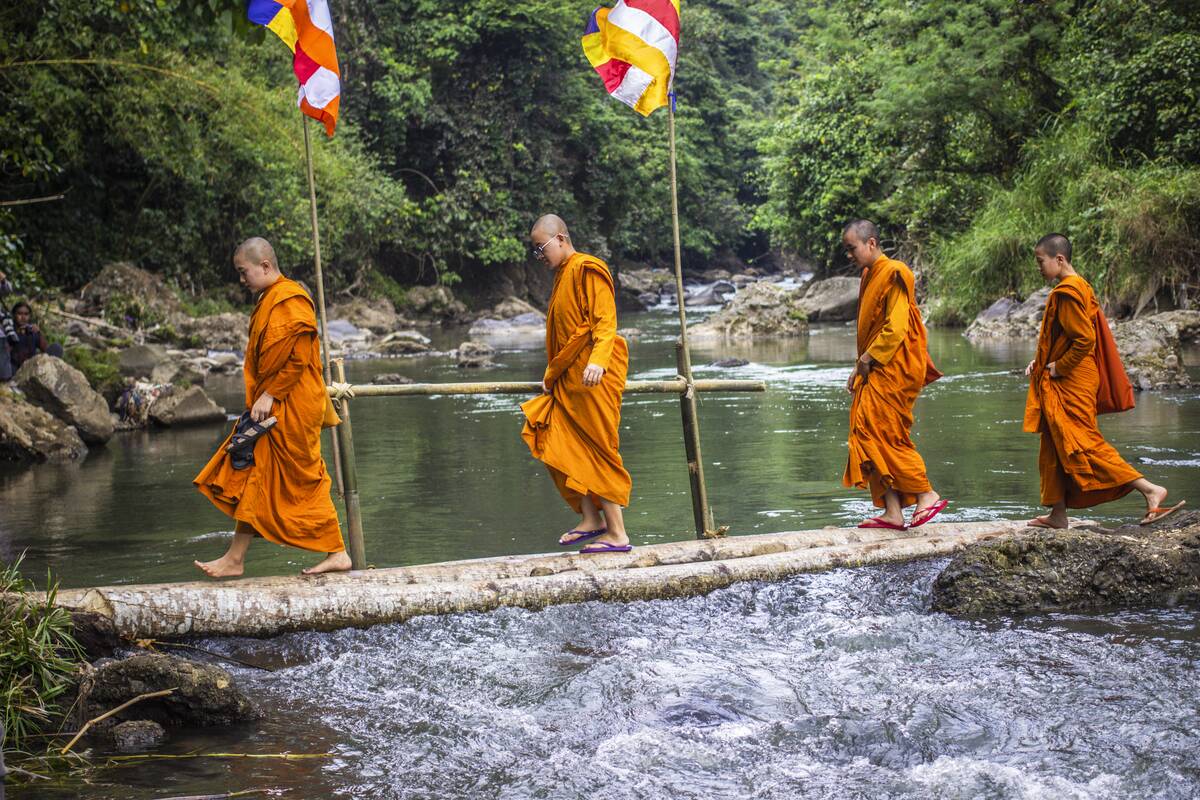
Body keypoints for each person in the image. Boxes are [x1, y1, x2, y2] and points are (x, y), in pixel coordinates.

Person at [193, 237, 351, 577]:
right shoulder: (270, 299)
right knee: (256, 474)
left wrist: (270, 394)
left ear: (265, 266)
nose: (241, 279)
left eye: (243, 271)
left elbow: (296, 359)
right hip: (275, 404)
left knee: (304, 476)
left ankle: (337, 552)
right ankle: (235, 559)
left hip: (291, 403)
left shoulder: (291, 299)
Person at [1023, 233, 1185, 528]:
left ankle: (1150, 489)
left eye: (1040, 261)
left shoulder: (1067, 291)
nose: (1039, 267)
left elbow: (1084, 339)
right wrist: (1042, 359)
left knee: (1083, 443)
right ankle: (1058, 514)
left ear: (1059, 259)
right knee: (1055, 444)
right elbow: (1062, 337)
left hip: (1072, 379)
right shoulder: (1080, 285)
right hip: (1072, 376)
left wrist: (1060, 367)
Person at [521, 214, 633, 554]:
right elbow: (567, 333)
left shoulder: (588, 267)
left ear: (560, 238)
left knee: (598, 448)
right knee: (552, 433)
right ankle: (591, 518)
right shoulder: (562, 276)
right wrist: (552, 373)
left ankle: (617, 533)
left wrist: (599, 359)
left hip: (592, 377)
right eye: (536, 252)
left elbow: (604, 321)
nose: (540, 257)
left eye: (542, 248)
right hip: (567, 379)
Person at [841, 219, 948, 530]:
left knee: (885, 434)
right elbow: (870, 330)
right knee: (865, 433)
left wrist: (868, 359)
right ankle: (893, 511)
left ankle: (926, 493)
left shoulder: (895, 272)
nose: (850, 255)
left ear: (871, 243)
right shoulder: (868, 276)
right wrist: (858, 368)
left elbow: (896, 327)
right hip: (874, 366)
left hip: (894, 367)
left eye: (853, 248)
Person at [8, 301, 61, 370]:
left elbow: (46, 349)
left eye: (26, 314)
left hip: (32, 367)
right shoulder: (9, 331)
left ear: (29, 316)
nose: (23, 317)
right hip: (13, 368)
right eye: (19, 313)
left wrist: (39, 332)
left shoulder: (32, 331)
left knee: (56, 347)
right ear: (14, 315)